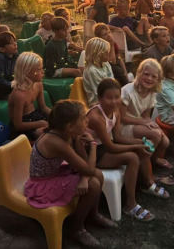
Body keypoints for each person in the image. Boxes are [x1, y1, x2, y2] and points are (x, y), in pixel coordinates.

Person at [24, 100, 116, 247]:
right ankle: (76, 229)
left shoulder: (69, 134)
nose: (87, 121)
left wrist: (84, 177)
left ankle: (93, 215)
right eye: (83, 119)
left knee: (98, 174)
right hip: (42, 184)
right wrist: (93, 144)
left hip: (55, 173)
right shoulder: (57, 142)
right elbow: (87, 169)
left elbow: (84, 163)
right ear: (70, 126)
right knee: (93, 184)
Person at [87, 78, 167, 223]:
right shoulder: (96, 117)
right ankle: (130, 204)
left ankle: (146, 183)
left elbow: (118, 137)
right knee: (132, 157)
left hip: (104, 146)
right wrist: (135, 146)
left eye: (117, 97)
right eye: (109, 98)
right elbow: (111, 146)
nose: (114, 101)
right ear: (99, 98)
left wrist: (139, 143)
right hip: (91, 152)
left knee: (141, 149)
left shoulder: (115, 112)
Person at [120, 59, 173, 172]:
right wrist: (144, 123)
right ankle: (143, 163)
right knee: (155, 135)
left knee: (165, 141)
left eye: (154, 76)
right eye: (146, 74)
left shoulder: (151, 92)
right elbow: (121, 117)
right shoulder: (128, 91)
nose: (149, 78)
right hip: (123, 126)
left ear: (158, 79)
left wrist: (152, 124)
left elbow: (146, 116)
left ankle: (152, 160)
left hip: (137, 123)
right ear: (139, 73)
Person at [8, 52, 52, 140]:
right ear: (28, 72)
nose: (43, 72)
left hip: (36, 116)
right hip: (23, 127)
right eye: (39, 69)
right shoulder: (19, 95)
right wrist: (40, 123)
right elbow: (18, 125)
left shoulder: (38, 85)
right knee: (46, 134)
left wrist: (56, 115)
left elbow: (43, 107)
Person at [93, 23, 129, 87]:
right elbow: (112, 61)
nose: (109, 35)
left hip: (113, 66)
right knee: (117, 70)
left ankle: (126, 84)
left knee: (125, 67)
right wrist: (111, 45)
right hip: (104, 66)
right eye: (105, 34)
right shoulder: (100, 46)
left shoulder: (113, 43)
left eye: (109, 32)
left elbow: (118, 57)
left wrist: (125, 71)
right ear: (99, 37)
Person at [82, 37, 114, 107]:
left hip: (110, 96)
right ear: (98, 54)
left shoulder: (106, 64)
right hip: (97, 102)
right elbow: (99, 92)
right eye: (106, 52)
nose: (108, 54)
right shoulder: (92, 70)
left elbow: (112, 82)